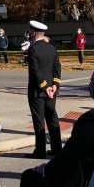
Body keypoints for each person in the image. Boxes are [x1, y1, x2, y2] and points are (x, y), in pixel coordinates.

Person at [26, 20, 63, 158]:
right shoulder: (51, 48)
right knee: (52, 118)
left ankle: (40, 151)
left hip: (38, 92)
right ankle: (56, 148)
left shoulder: (33, 49)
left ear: (33, 33)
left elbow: (35, 72)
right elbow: (57, 68)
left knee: (39, 120)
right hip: (51, 92)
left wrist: (45, 87)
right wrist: (54, 85)